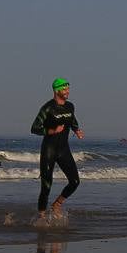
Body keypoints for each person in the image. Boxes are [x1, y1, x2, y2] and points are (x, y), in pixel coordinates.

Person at [31, 78, 83, 224]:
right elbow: (34, 128)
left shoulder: (70, 106)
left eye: (68, 88)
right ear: (56, 90)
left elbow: (72, 120)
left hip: (63, 149)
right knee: (46, 186)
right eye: (64, 89)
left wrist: (77, 130)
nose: (67, 91)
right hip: (49, 149)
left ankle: (57, 204)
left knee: (75, 182)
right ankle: (41, 216)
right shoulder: (48, 108)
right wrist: (52, 131)